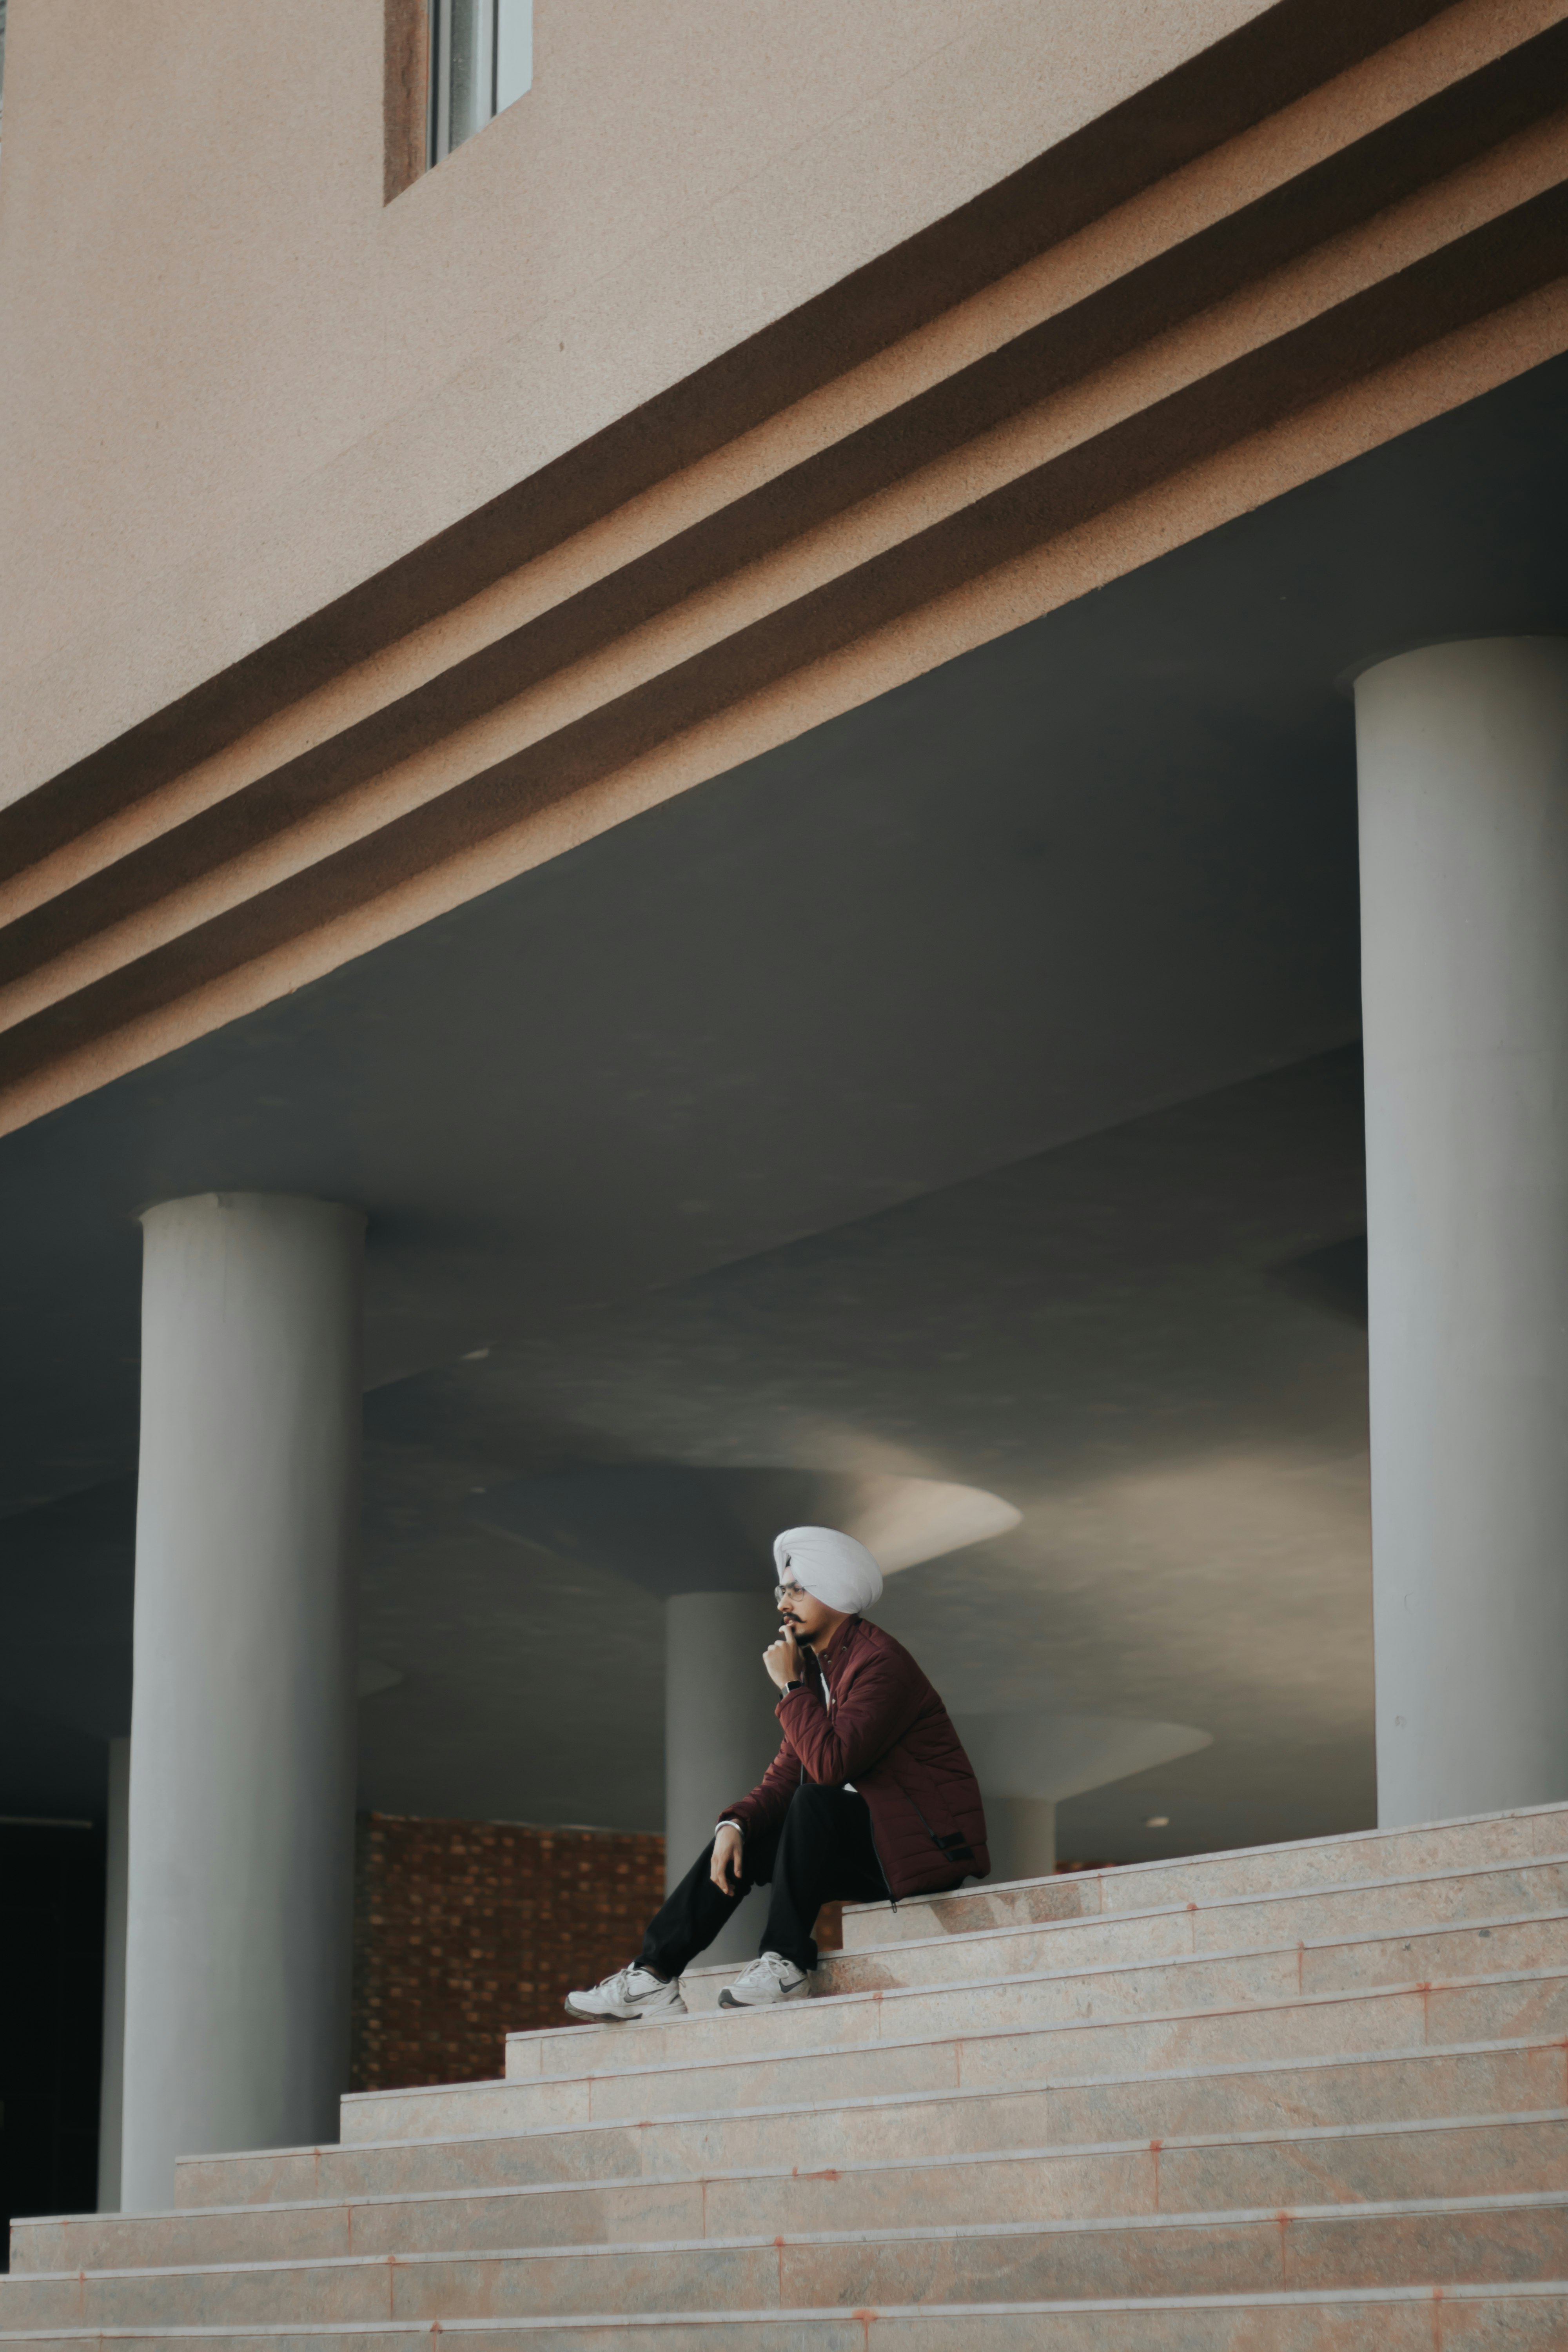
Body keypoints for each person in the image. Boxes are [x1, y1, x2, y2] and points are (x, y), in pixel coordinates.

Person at [565, 1523, 990, 2020]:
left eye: (796, 1591)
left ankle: (786, 1962)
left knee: (813, 1803)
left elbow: (830, 1769)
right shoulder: (819, 1671)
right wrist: (736, 1824)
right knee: (749, 1836)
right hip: (872, 1844)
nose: (782, 1604)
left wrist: (790, 1688)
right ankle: (653, 1975)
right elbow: (790, 1773)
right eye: (782, 1591)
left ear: (834, 1593)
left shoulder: (880, 1666)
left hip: (927, 1850)